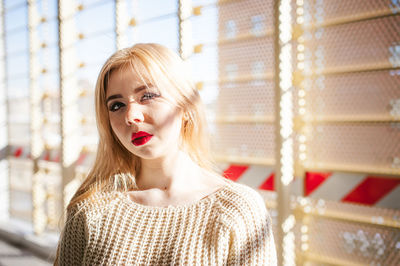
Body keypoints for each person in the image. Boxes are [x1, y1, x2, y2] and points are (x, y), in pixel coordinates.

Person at [54, 43, 277, 265]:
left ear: (187, 107)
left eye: (148, 96)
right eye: (116, 106)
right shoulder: (90, 208)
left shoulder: (238, 210)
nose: (131, 116)